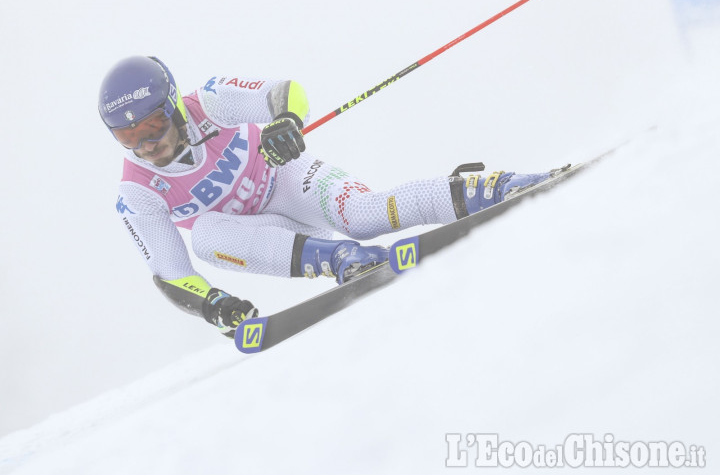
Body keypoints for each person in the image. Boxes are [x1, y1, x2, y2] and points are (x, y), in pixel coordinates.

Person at [99, 55, 554, 338]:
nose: (145, 145)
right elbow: (171, 273)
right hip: (265, 234)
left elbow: (284, 91)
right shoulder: (137, 191)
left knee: (363, 214)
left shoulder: (211, 102)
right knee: (205, 238)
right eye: (127, 135)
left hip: (288, 179)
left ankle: (489, 189)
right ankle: (344, 260)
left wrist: (286, 121)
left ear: (174, 106)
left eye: (152, 126)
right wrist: (213, 304)